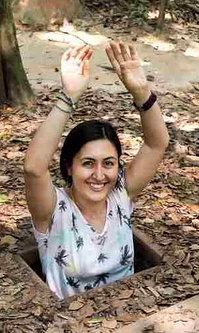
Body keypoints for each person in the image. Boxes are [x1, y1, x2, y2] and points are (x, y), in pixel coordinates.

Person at [24, 42, 169, 300]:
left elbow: (156, 144)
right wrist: (68, 97)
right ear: (69, 166)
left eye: (109, 163)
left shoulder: (120, 196)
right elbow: (34, 168)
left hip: (129, 317)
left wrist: (142, 92)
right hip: (69, 329)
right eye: (88, 163)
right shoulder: (54, 210)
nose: (99, 175)